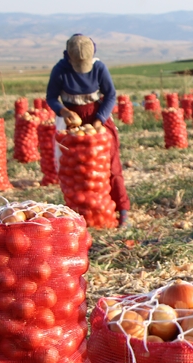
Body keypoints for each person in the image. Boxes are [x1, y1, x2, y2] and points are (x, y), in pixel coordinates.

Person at [46, 34, 130, 227]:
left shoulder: (98, 67)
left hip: (97, 118)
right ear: (68, 56)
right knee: (77, 170)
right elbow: (51, 98)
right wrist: (64, 111)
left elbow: (110, 95)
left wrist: (100, 119)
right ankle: (82, 214)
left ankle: (122, 212)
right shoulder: (60, 70)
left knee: (111, 165)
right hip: (72, 124)